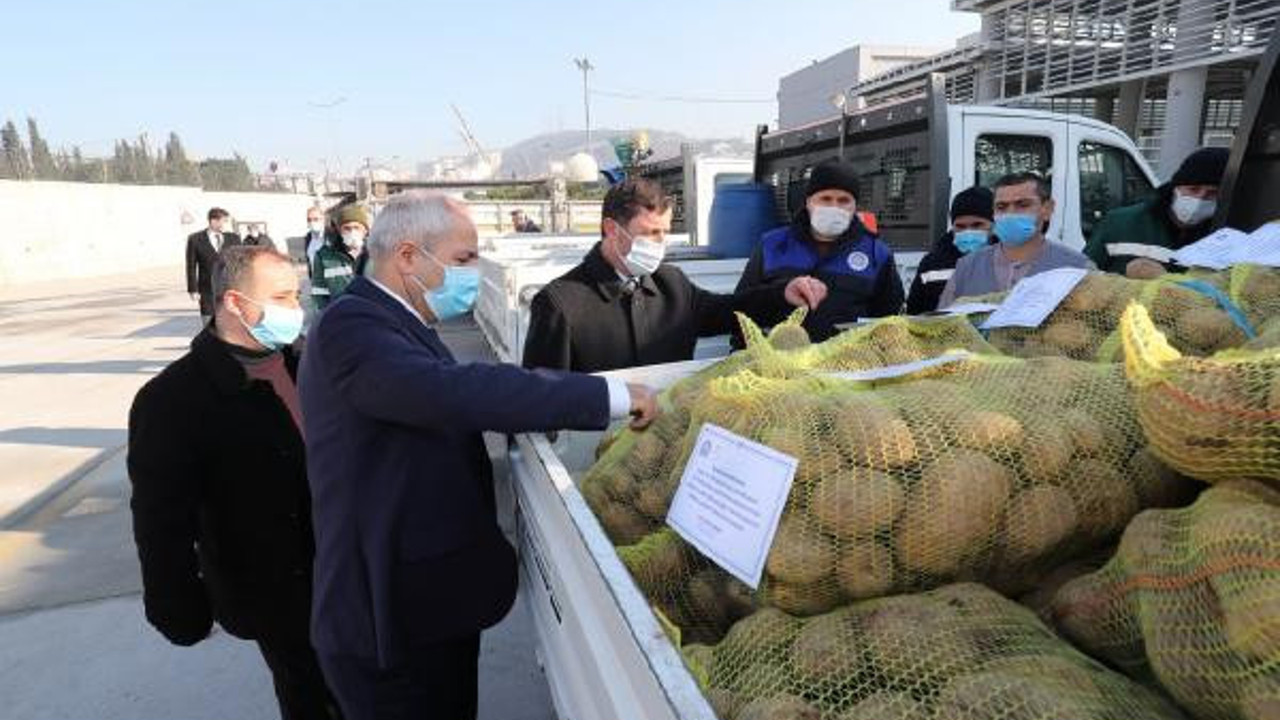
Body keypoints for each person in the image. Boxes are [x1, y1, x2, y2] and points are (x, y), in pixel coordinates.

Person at [297, 191, 660, 720]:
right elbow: (454, 391)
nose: (471, 273)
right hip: (389, 625)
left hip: (427, 607)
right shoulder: (351, 328)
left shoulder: (396, 321)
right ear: (406, 256)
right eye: (463, 260)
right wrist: (608, 397)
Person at [129, 245, 341, 720]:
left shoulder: (306, 364)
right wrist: (178, 607)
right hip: (277, 593)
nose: (296, 309)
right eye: (282, 297)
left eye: (297, 295)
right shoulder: (172, 401)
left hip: (345, 572)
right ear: (234, 304)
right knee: (312, 696)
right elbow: (161, 522)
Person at [522, 177, 827, 372]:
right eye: (650, 233)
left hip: (666, 442)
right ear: (611, 230)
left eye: (665, 233)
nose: (660, 244)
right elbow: (544, 396)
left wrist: (781, 294)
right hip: (592, 453)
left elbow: (725, 312)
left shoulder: (672, 284)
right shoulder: (561, 304)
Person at [733, 159, 903, 342]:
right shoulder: (772, 245)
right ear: (808, 202)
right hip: (781, 364)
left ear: (855, 206)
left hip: (846, 365)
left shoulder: (876, 253)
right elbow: (742, 309)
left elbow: (891, 319)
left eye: (844, 200)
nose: (834, 207)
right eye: (825, 199)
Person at [938, 172, 1094, 307]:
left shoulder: (1077, 267)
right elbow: (943, 326)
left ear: (1047, 209)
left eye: (1022, 205)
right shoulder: (967, 267)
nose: (1010, 213)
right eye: (1001, 207)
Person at [1084, 146, 1230, 279]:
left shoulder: (1225, 238)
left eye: (1212, 193)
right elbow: (1081, 274)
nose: (1199, 199)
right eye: (1193, 189)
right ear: (1176, 187)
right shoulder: (1120, 223)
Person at [906, 186, 998, 314]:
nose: (968, 232)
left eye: (977, 225)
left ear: (993, 225)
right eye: (960, 226)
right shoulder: (932, 263)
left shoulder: (1011, 258)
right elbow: (914, 313)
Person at [186, 207, 242, 325]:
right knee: (208, 324)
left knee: (230, 324)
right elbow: (190, 266)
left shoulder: (233, 238)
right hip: (207, 290)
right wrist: (193, 290)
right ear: (213, 221)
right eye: (224, 221)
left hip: (229, 289)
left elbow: (241, 262)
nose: (225, 225)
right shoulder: (195, 239)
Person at [310, 205, 368, 310]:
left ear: (365, 231)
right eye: (347, 228)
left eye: (356, 227)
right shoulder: (324, 256)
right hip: (341, 318)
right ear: (339, 230)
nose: (352, 232)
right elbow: (319, 295)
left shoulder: (376, 254)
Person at [305, 207, 330, 272]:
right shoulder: (308, 238)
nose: (312, 222)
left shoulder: (331, 235)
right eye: (309, 220)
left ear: (323, 219)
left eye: (316, 219)